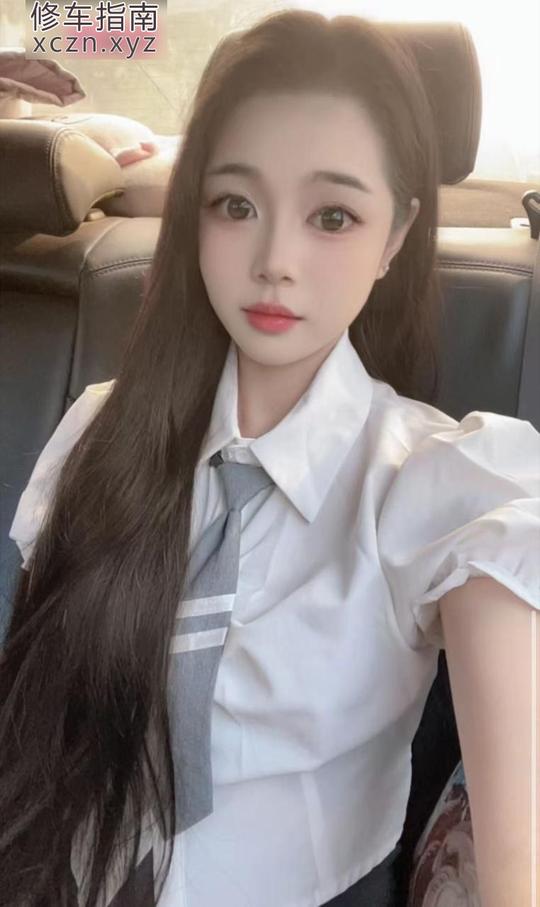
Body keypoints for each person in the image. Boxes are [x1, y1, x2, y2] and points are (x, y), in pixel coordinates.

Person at [1, 9, 538, 907]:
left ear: (395, 235)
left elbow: (519, 864)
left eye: (333, 216)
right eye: (236, 205)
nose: (275, 260)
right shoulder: (103, 430)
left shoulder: (439, 483)